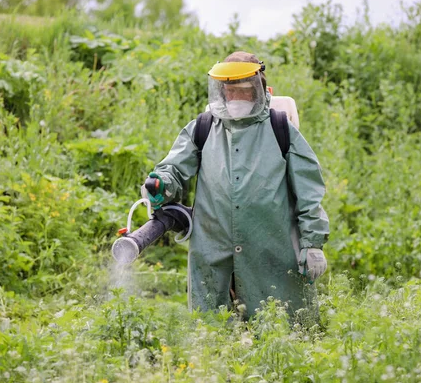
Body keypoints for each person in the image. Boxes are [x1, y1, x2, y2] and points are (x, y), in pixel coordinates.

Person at [141, 51, 330, 319]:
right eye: (231, 91)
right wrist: (161, 183)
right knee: (211, 333)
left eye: (244, 91)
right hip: (213, 249)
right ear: (221, 92)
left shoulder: (280, 128)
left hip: (271, 249)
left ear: (260, 90)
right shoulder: (203, 128)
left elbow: (309, 190)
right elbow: (173, 168)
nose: (236, 98)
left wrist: (312, 243)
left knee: (281, 327)